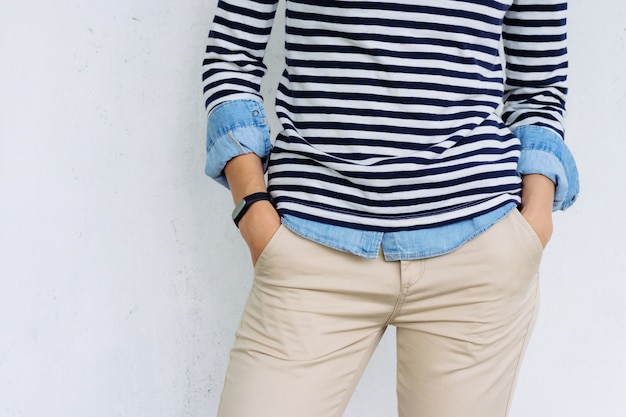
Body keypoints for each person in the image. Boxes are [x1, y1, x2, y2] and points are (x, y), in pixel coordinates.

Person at [201, 0, 579, 415]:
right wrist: (252, 208)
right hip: (314, 248)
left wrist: (533, 221)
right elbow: (232, 56)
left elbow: (539, 87)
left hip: (476, 255)